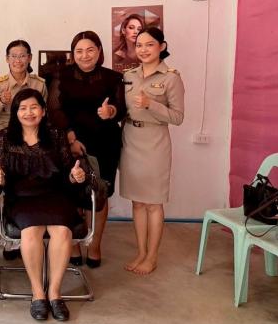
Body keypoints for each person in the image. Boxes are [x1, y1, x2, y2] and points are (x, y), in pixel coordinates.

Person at [0, 88, 86, 322]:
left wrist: (75, 176)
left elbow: (67, 171)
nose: (29, 112)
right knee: (31, 231)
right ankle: (37, 293)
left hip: (55, 195)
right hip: (21, 197)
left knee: (62, 232)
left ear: (43, 111)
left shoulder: (55, 134)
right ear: (15, 113)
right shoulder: (5, 136)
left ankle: (54, 292)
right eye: (22, 108)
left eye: (34, 107)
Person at [49, 31, 126, 268]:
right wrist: (70, 138)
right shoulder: (60, 76)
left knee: (100, 193)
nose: (85, 55)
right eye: (79, 51)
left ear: (99, 51)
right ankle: (73, 244)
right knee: (71, 191)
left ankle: (94, 245)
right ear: (73, 54)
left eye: (90, 50)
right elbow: (54, 109)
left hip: (105, 143)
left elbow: (121, 108)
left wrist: (111, 112)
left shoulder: (113, 78)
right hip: (70, 141)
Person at [120, 27, 184, 275]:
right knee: (137, 202)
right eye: (139, 45)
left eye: (149, 45)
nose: (143, 50)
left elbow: (177, 117)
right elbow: (122, 108)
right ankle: (141, 252)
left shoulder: (171, 77)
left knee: (153, 203)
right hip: (130, 139)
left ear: (162, 46)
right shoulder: (129, 75)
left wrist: (151, 105)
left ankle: (152, 256)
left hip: (155, 142)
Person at [0, 39, 47, 260]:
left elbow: (45, 114)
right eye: (13, 56)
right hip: (7, 139)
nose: (18, 60)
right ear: (7, 59)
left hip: (34, 138)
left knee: (32, 185)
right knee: (6, 186)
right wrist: (1, 101)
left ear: (29, 58)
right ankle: (10, 240)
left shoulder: (38, 83)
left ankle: (32, 232)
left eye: (22, 56)